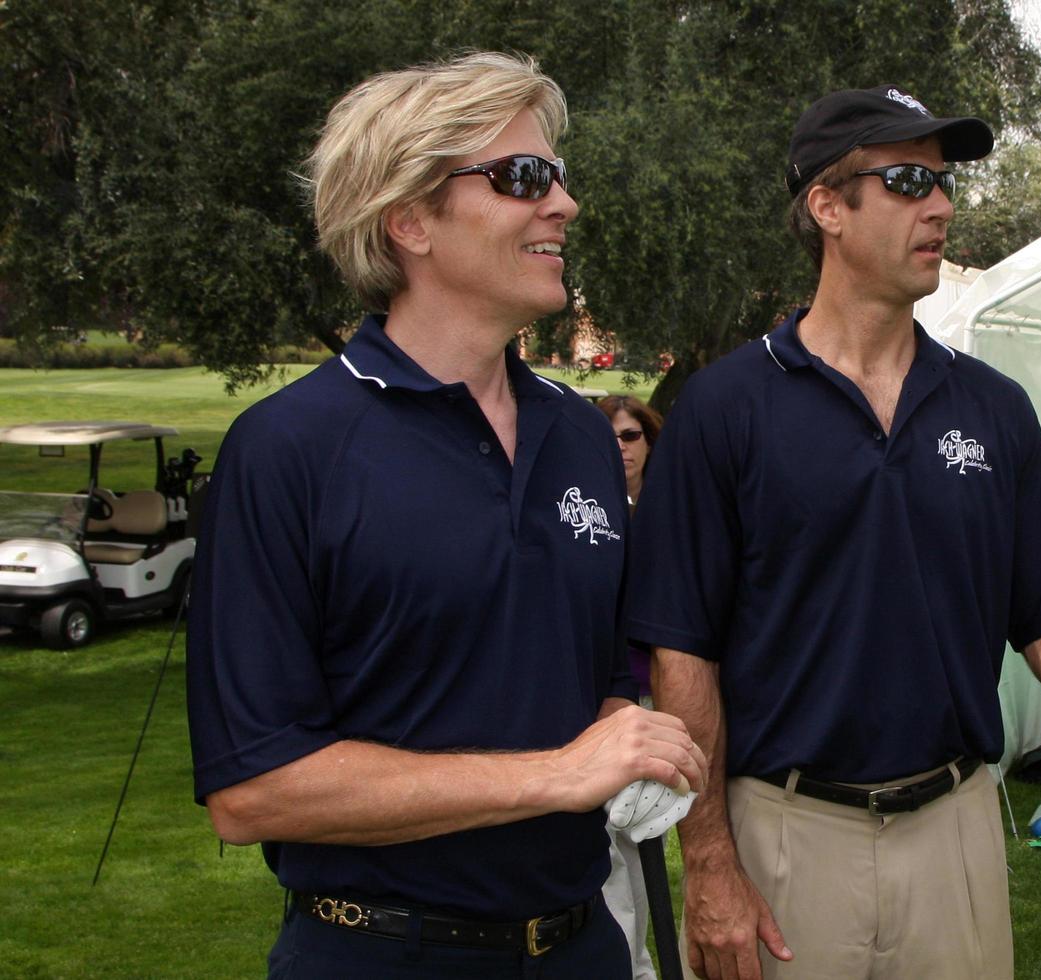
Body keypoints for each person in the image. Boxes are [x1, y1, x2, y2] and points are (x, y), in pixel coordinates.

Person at [624, 85, 1041, 980]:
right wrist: (709, 864)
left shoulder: (995, 409)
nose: (939, 205)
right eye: (907, 181)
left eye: (943, 184)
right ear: (827, 206)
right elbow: (682, 654)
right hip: (786, 833)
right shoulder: (724, 409)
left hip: (957, 831)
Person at [185, 52, 705, 979]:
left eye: (557, 176)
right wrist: (556, 774)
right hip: (378, 953)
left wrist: (626, 729)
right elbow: (254, 790)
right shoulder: (289, 450)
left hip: (583, 945)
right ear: (411, 219)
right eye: (522, 177)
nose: (564, 204)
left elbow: (574, 689)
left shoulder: (581, 438)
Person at [594, 394, 665, 978]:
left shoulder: (670, 513)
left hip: (671, 701)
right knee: (615, 842)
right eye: (610, 438)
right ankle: (632, 965)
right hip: (615, 702)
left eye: (631, 436)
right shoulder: (593, 518)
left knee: (646, 845)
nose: (621, 448)